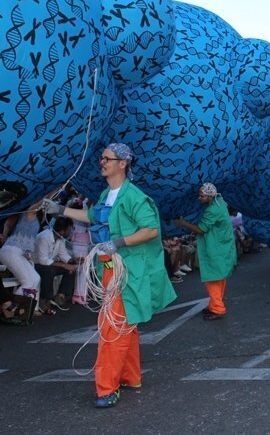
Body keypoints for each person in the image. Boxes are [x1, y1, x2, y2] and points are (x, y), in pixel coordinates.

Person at [43, 142, 176, 408]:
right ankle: (130, 376)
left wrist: (118, 243)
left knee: (112, 329)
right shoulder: (107, 195)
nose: (102, 162)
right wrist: (60, 210)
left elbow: (150, 230)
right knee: (126, 325)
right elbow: (92, 215)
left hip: (127, 272)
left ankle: (106, 388)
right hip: (109, 269)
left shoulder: (135, 197)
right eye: (102, 158)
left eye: (107, 158)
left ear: (123, 163)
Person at [174, 183, 237, 321]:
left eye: (202, 196)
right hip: (222, 247)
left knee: (212, 279)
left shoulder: (212, 210)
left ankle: (218, 309)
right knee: (220, 277)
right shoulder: (219, 202)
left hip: (215, 249)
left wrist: (182, 223)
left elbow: (201, 229)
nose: (199, 198)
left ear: (210, 196)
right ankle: (214, 304)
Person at [33, 217, 77, 313]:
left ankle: (60, 295)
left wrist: (74, 260)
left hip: (48, 264)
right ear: (62, 231)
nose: (70, 232)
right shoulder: (44, 237)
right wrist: (64, 265)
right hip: (35, 265)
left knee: (71, 269)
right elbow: (43, 260)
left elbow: (63, 255)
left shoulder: (60, 239)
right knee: (49, 271)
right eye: (69, 230)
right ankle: (44, 299)